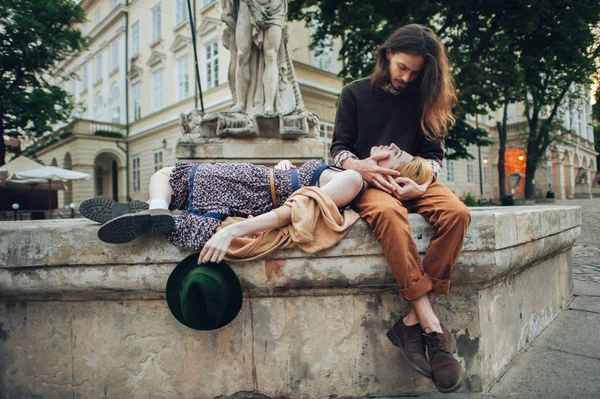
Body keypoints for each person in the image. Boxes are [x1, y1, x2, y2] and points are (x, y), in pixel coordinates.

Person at [329, 24, 470, 393]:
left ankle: (409, 322)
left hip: (416, 180)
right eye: (402, 67)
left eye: (415, 72)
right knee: (390, 216)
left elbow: (434, 157)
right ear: (388, 54)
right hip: (371, 181)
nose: (406, 77)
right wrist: (360, 166)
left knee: (458, 214)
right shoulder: (354, 93)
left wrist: (421, 183)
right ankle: (431, 326)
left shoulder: (425, 98)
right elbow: (339, 149)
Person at [83, 147, 432, 261]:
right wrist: (289, 168)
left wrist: (239, 228)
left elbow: (295, 210)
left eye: (395, 153)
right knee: (179, 185)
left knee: (169, 172)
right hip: (255, 184)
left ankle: (155, 209)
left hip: (252, 185)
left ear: (388, 175)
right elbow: (304, 186)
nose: (389, 144)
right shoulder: (348, 173)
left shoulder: (354, 181)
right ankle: (156, 212)